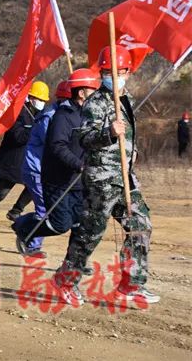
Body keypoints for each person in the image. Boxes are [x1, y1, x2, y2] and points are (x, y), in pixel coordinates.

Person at [54, 46, 159, 306]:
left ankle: (131, 285)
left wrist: (132, 153)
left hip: (124, 177)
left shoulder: (127, 100)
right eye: (106, 72)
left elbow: (129, 137)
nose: (112, 75)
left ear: (127, 72)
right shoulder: (96, 103)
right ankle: (65, 280)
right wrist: (109, 133)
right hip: (101, 179)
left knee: (141, 225)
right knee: (90, 233)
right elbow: (85, 138)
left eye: (117, 71)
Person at [13, 70, 99, 258]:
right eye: (93, 89)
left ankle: (74, 262)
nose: (97, 93)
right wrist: (78, 164)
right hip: (57, 179)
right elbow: (56, 146)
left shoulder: (90, 116)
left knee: (80, 223)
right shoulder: (62, 116)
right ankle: (24, 227)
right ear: (81, 93)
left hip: (79, 181)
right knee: (60, 224)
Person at [0, 81, 50, 233]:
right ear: (30, 97)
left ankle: (16, 211)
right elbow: (18, 137)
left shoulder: (40, 115)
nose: (41, 103)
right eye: (38, 99)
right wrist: (35, 130)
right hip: (11, 161)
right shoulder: (17, 112)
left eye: (43, 100)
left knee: (34, 186)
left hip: (29, 162)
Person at [15, 80, 71, 257]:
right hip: (36, 169)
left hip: (48, 170)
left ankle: (22, 224)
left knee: (52, 209)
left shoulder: (63, 116)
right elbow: (56, 144)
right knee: (45, 209)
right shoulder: (50, 117)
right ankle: (31, 243)